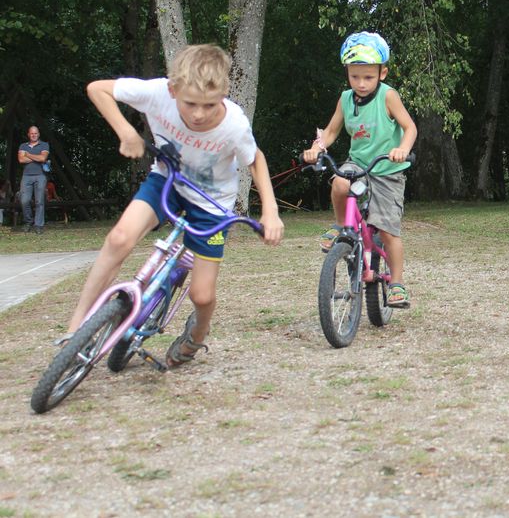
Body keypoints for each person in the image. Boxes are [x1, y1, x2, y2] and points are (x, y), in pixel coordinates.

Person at [64, 44, 284, 367]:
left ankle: (197, 333)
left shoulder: (234, 124)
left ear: (224, 94)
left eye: (210, 105)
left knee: (202, 295)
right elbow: (98, 89)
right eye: (190, 103)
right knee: (119, 239)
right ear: (173, 90)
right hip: (167, 181)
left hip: (212, 204)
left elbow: (255, 160)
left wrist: (271, 211)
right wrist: (126, 131)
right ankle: (75, 331)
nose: (199, 114)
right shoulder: (157, 93)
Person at [302, 32, 417, 308]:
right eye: (355, 77)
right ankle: (341, 226)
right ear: (347, 74)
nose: (361, 83)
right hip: (358, 164)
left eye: (368, 77)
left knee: (388, 231)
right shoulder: (345, 99)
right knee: (340, 183)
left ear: (382, 73)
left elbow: (410, 127)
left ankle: (397, 283)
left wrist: (402, 148)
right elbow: (331, 131)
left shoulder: (388, 96)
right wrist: (317, 147)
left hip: (387, 169)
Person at [18, 126, 50, 234]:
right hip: (26, 176)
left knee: (39, 201)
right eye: (32, 133)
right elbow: (21, 160)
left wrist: (28, 154)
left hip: (40, 175)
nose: (34, 135)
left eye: (35, 133)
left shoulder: (44, 145)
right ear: (28, 134)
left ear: (39, 134)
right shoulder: (23, 145)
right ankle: (28, 221)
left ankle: (38, 225)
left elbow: (43, 158)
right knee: (24, 200)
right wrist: (36, 157)